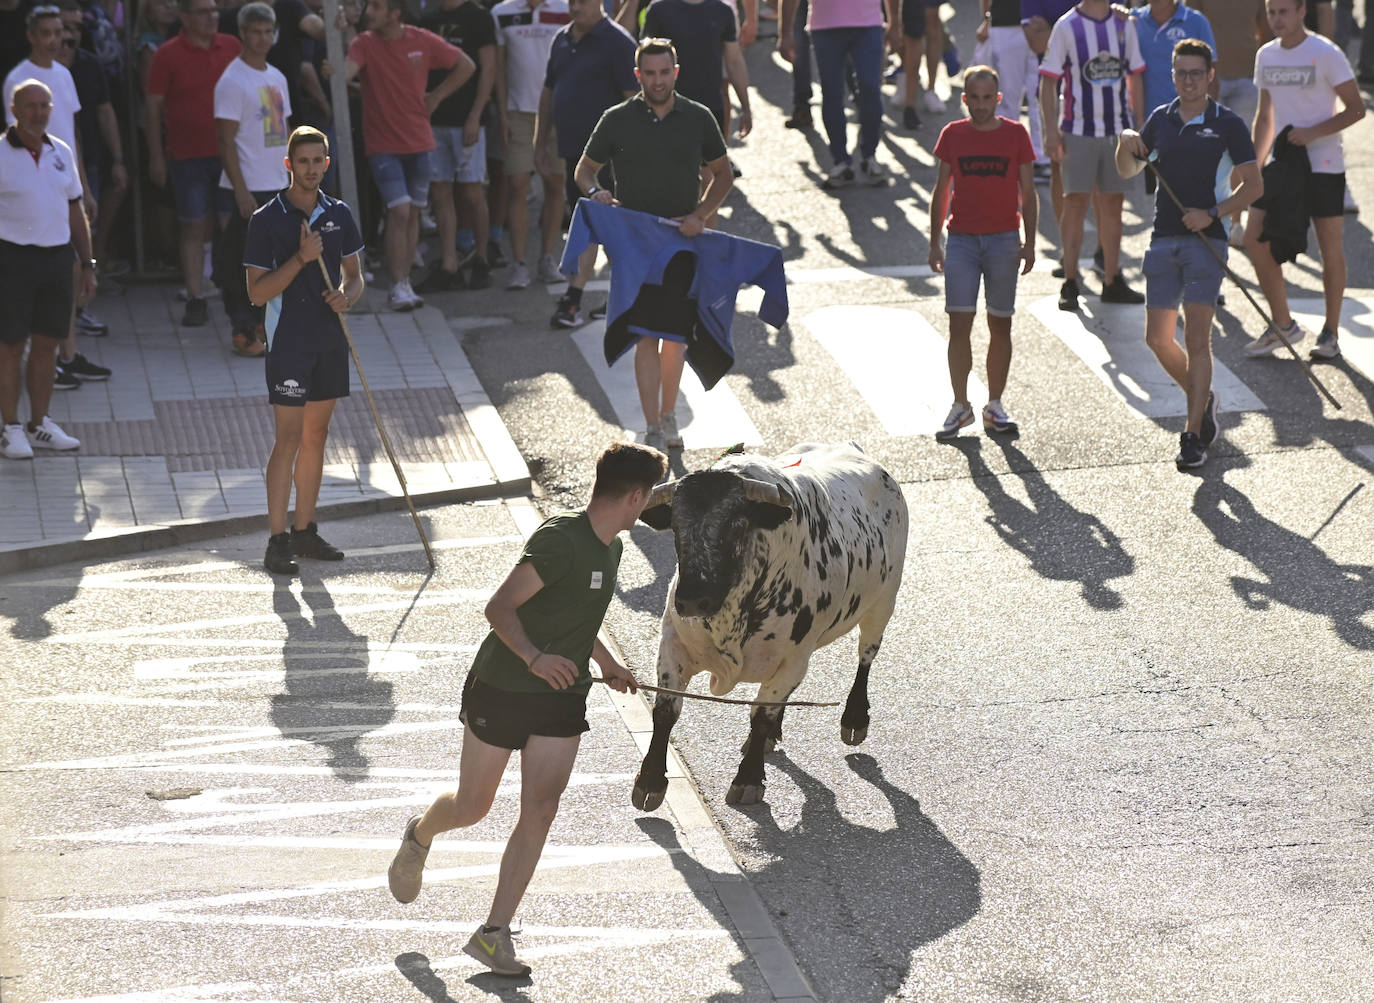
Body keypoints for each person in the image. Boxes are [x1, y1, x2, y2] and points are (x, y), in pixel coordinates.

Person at [386, 441, 664, 978]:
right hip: (503, 687)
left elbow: (580, 618)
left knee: (540, 809)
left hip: (562, 698)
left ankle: (494, 934)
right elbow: (499, 608)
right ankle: (420, 833)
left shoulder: (613, 549)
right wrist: (535, 658)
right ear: (634, 496)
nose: (648, 507)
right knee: (472, 808)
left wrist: (606, 662)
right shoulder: (561, 540)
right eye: (648, 497)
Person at [575, 38, 733, 448]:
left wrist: (700, 214)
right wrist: (597, 194)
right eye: (650, 73)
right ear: (637, 75)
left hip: (683, 244)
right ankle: (651, 425)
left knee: (676, 338)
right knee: (646, 336)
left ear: (675, 72)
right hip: (634, 245)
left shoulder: (698, 117)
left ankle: (669, 414)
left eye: (665, 73)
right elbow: (584, 170)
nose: (658, 81)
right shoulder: (616, 119)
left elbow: (723, 173)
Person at [1116, 38, 1261, 471]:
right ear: (1173, 73)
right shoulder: (1160, 119)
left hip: (1206, 242)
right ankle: (1204, 398)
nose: (1189, 81)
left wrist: (1212, 214)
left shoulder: (1228, 123)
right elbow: (1129, 169)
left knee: (1198, 340)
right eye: (1181, 73)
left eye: (1196, 73)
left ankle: (1193, 433)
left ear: (1210, 74)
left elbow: (1253, 187)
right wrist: (1126, 141)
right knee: (1157, 338)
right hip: (1163, 239)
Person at [244, 127, 364, 575]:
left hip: (329, 340)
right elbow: (257, 293)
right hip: (289, 343)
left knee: (317, 437)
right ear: (289, 165)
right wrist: (299, 257)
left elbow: (355, 275)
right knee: (289, 439)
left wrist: (347, 298)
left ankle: (305, 530)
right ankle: (277, 540)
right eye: (304, 162)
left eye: (319, 161)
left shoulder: (339, 213)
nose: (311, 168)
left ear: (327, 164)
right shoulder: (266, 219)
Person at [1243, 0, 1364, 360]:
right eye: (1271, 12)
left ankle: (1330, 332)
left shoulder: (1326, 52)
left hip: (1324, 165)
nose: (1277, 19)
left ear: (1301, 12)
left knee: (1330, 248)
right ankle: (1283, 324)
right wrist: (1253, 166)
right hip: (1281, 165)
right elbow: (1265, 116)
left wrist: (1313, 132)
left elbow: (1356, 109)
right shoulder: (1267, 55)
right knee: (1252, 239)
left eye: (1283, 11)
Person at [342, 0, 475, 311]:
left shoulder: (421, 39)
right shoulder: (364, 43)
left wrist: (437, 97)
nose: (368, 12)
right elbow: (345, 72)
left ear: (395, 14)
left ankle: (404, 285)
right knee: (399, 211)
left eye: (375, 7)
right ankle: (397, 284)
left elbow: (466, 65)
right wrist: (341, 53)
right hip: (383, 145)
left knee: (413, 212)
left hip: (420, 142)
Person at [5, 5, 112, 390]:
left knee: (69, 273)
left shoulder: (64, 75)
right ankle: (48, 357)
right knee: (45, 275)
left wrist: (80, 184)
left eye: (59, 33)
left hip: (65, 180)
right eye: (47, 33)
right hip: (37, 190)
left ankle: (66, 354)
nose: (55, 40)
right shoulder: (18, 79)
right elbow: (20, 138)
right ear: (32, 36)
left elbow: (71, 133)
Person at [928, 66, 1037, 441]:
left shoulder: (1016, 135)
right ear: (964, 100)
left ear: (999, 99)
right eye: (973, 98)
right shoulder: (953, 135)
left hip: (1004, 239)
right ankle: (960, 405)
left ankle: (995, 404)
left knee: (1000, 323)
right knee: (959, 324)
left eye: (987, 98)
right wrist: (933, 241)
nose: (980, 105)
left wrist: (1030, 241)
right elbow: (941, 190)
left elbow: (1029, 192)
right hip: (961, 240)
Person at [1, 80, 94, 460]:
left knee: (47, 345)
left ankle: (39, 424)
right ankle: (8, 428)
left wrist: (87, 263)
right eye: (31, 105)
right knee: (10, 347)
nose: (38, 112)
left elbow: (75, 209)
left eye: (45, 105)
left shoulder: (62, 152)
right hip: (12, 259)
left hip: (57, 259)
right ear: (15, 109)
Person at [1039, 0, 1147, 310]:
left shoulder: (1124, 25)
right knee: (1075, 202)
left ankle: (1111, 279)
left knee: (1113, 206)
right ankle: (1070, 280)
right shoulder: (1066, 26)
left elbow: (1135, 76)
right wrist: (1050, 130)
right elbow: (1048, 79)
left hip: (1118, 131)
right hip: (1077, 129)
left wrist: (1138, 125)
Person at [538, 0, 636, 327]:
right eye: (572, 1)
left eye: (583, 1)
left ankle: (579, 299)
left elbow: (632, 101)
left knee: (606, 228)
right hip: (572, 154)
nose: (575, 6)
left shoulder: (619, 42)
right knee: (587, 226)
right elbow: (549, 92)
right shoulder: (562, 39)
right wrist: (540, 141)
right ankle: (580, 300)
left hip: (609, 159)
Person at [145, 0, 242, 326]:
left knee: (231, 224)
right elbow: (153, 106)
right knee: (194, 225)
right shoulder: (167, 54)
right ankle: (195, 296)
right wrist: (156, 156)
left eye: (214, 11)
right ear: (184, 18)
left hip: (230, 153)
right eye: (203, 11)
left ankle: (235, 292)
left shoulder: (231, 45)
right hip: (187, 156)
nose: (212, 17)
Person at [215, 2, 292, 357]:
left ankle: (267, 324)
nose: (262, 39)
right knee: (242, 261)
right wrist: (241, 190)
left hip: (277, 181)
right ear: (242, 34)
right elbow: (226, 140)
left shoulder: (277, 77)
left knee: (276, 260)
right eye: (255, 32)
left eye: (267, 31)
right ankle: (243, 328)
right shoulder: (232, 81)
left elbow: (284, 130)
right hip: (248, 186)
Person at [417, 0, 499, 293]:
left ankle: (481, 258)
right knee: (440, 192)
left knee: (472, 192)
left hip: (467, 120)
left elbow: (488, 69)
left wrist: (476, 115)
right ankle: (449, 263)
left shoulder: (479, 17)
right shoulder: (427, 18)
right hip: (434, 121)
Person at [491, 0, 569, 290]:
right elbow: (499, 68)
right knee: (518, 184)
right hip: (518, 112)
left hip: (559, 111)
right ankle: (519, 263)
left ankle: (547, 258)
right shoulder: (501, 13)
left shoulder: (565, 9)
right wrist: (501, 113)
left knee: (555, 184)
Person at [779, 0, 896, 188]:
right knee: (832, 93)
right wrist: (785, 33)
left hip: (869, 25)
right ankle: (841, 161)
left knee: (870, 89)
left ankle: (870, 156)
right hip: (825, 26)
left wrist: (895, 22)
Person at [1190, 0, 1266, 243]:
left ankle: (1235, 222)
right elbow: (1190, 26)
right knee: (1208, 152)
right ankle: (1205, 216)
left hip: (1247, 78)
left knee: (1239, 153)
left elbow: (1265, 29)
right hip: (1210, 80)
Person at [976, 0, 1044, 164]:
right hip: (1012, 25)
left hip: (1037, 26)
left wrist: (987, 20)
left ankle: (1039, 156)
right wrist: (987, 21)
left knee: (1040, 95)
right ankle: (1015, 154)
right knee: (1011, 97)